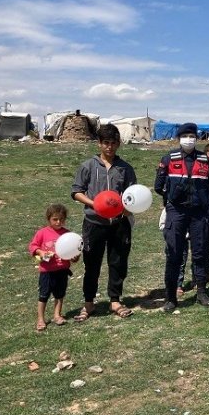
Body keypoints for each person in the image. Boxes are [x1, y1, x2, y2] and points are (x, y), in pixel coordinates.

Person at [71, 123, 137, 321]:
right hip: (94, 222)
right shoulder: (88, 166)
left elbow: (132, 195)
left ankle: (115, 300)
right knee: (92, 263)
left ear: (118, 144)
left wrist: (127, 207)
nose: (109, 147)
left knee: (118, 262)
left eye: (113, 143)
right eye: (105, 143)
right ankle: (89, 302)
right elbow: (76, 192)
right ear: (99, 144)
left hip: (119, 223)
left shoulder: (125, 168)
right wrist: (95, 204)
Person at [154, 122, 209, 311]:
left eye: (192, 136)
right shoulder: (168, 159)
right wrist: (171, 197)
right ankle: (171, 297)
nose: (189, 139)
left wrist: (205, 201)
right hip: (176, 211)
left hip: (199, 213)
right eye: (185, 136)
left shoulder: (206, 160)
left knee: (200, 253)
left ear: (197, 139)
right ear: (179, 138)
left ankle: (201, 292)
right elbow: (158, 186)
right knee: (173, 254)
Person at [29, 204, 79, 331]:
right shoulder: (42, 233)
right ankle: (41, 319)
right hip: (47, 271)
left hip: (62, 269)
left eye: (61, 219)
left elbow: (74, 252)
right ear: (48, 219)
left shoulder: (67, 234)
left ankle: (57, 315)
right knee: (44, 294)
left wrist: (74, 257)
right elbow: (33, 246)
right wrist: (41, 253)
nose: (58, 222)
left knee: (60, 293)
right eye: (55, 219)